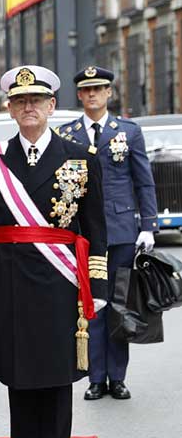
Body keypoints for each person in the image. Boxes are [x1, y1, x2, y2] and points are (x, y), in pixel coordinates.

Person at [0, 65, 108, 438]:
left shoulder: (80, 159)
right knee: (19, 377)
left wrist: (98, 285)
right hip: (9, 280)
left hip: (59, 281)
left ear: (51, 106)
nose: (29, 108)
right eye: (20, 101)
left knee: (56, 377)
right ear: (9, 108)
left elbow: (95, 227)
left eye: (37, 101)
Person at [57, 66, 158, 401]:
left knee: (118, 304)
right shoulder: (68, 134)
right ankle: (94, 377)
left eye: (99, 89)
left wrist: (148, 226)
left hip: (120, 231)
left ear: (109, 93)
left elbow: (143, 180)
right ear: (80, 95)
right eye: (86, 91)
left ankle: (117, 377)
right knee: (89, 305)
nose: (92, 95)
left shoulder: (127, 131)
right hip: (83, 235)